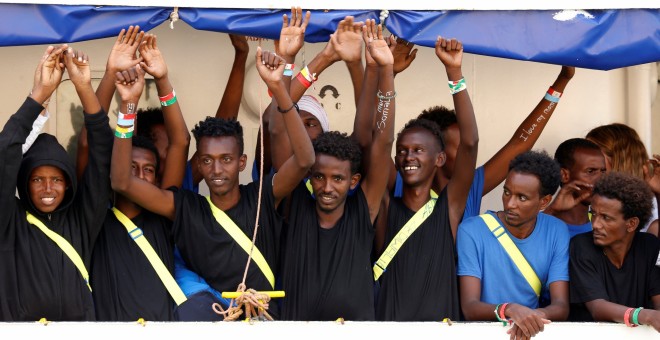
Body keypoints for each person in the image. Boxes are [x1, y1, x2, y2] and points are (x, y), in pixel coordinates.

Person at [110, 46, 315, 320]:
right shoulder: (186, 208)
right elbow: (122, 181)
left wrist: (279, 88)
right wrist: (129, 107)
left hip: (263, 320)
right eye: (207, 160)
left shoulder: (262, 196)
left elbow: (304, 160)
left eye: (226, 159)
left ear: (242, 163)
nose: (216, 169)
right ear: (199, 164)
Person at [278, 19, 395, 321]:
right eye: (319, 176)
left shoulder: (363, 208)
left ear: (354, 180)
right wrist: (324, 58)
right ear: (308, 175)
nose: (327, 187)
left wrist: (385, 72)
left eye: (338, 179)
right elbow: (277, 126)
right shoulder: (296, 203)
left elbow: (380, 141)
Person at [0, 45, 113, 321]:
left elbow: (103, 155)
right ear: (24, 183)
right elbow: (5, 152)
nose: (48, 189)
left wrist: (84, 88)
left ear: (69, 183)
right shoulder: (10, 221)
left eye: (57, 180)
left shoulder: (82, 218)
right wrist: (40, 94)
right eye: (38, 179)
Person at [374, 36, 478, 321]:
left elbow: (470, 142)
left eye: (419, 150)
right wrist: (387, 73)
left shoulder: (449, 208)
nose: (409, 157)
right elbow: (378, 140)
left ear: (440, 159)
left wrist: (454, 73)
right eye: (403, 151)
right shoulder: (383, 207)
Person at [90, 33, 191, 321]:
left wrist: (162, 79)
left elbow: (180, 141)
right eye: (132, 168)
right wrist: (111, 75)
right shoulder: (95, 218)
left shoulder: (162, 215)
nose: (140, 176)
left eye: (149, 170)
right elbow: (88, 141)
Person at [391, 66, 575, 220]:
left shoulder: (471, 185)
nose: (469, 152)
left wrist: (563, 80)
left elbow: (521, 142)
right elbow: (375, 140)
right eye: (461, 147)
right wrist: (389, 73)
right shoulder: (398, 181)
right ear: (438, 155)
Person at [457, 150, 570, 339]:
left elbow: (561, 306)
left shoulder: (557, 231)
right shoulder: (472, 230)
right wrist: (510, 309)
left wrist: (530, 318)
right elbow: (470, 307)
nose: (510, 204)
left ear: (544, 201)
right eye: (506, 192)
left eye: (522, 198)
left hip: (530, 333)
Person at [568, 172, 660, 332]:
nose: (595, 224)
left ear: (631, 224)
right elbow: (598, 308)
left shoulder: (649, 246)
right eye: (593, 214)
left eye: (606, 218)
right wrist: (644, 315)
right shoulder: (581, 245)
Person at [586, 123, 658, 233]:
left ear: (621, 162)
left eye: (594, 155)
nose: (587, 162)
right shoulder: (588, 201)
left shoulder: (653, 211)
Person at [543, 138, 606, 237]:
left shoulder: (605, 228)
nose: (600, 180)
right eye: (590, 171)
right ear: (564, 175)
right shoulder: (543, 229)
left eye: (603, 172)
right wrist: (552, 210)